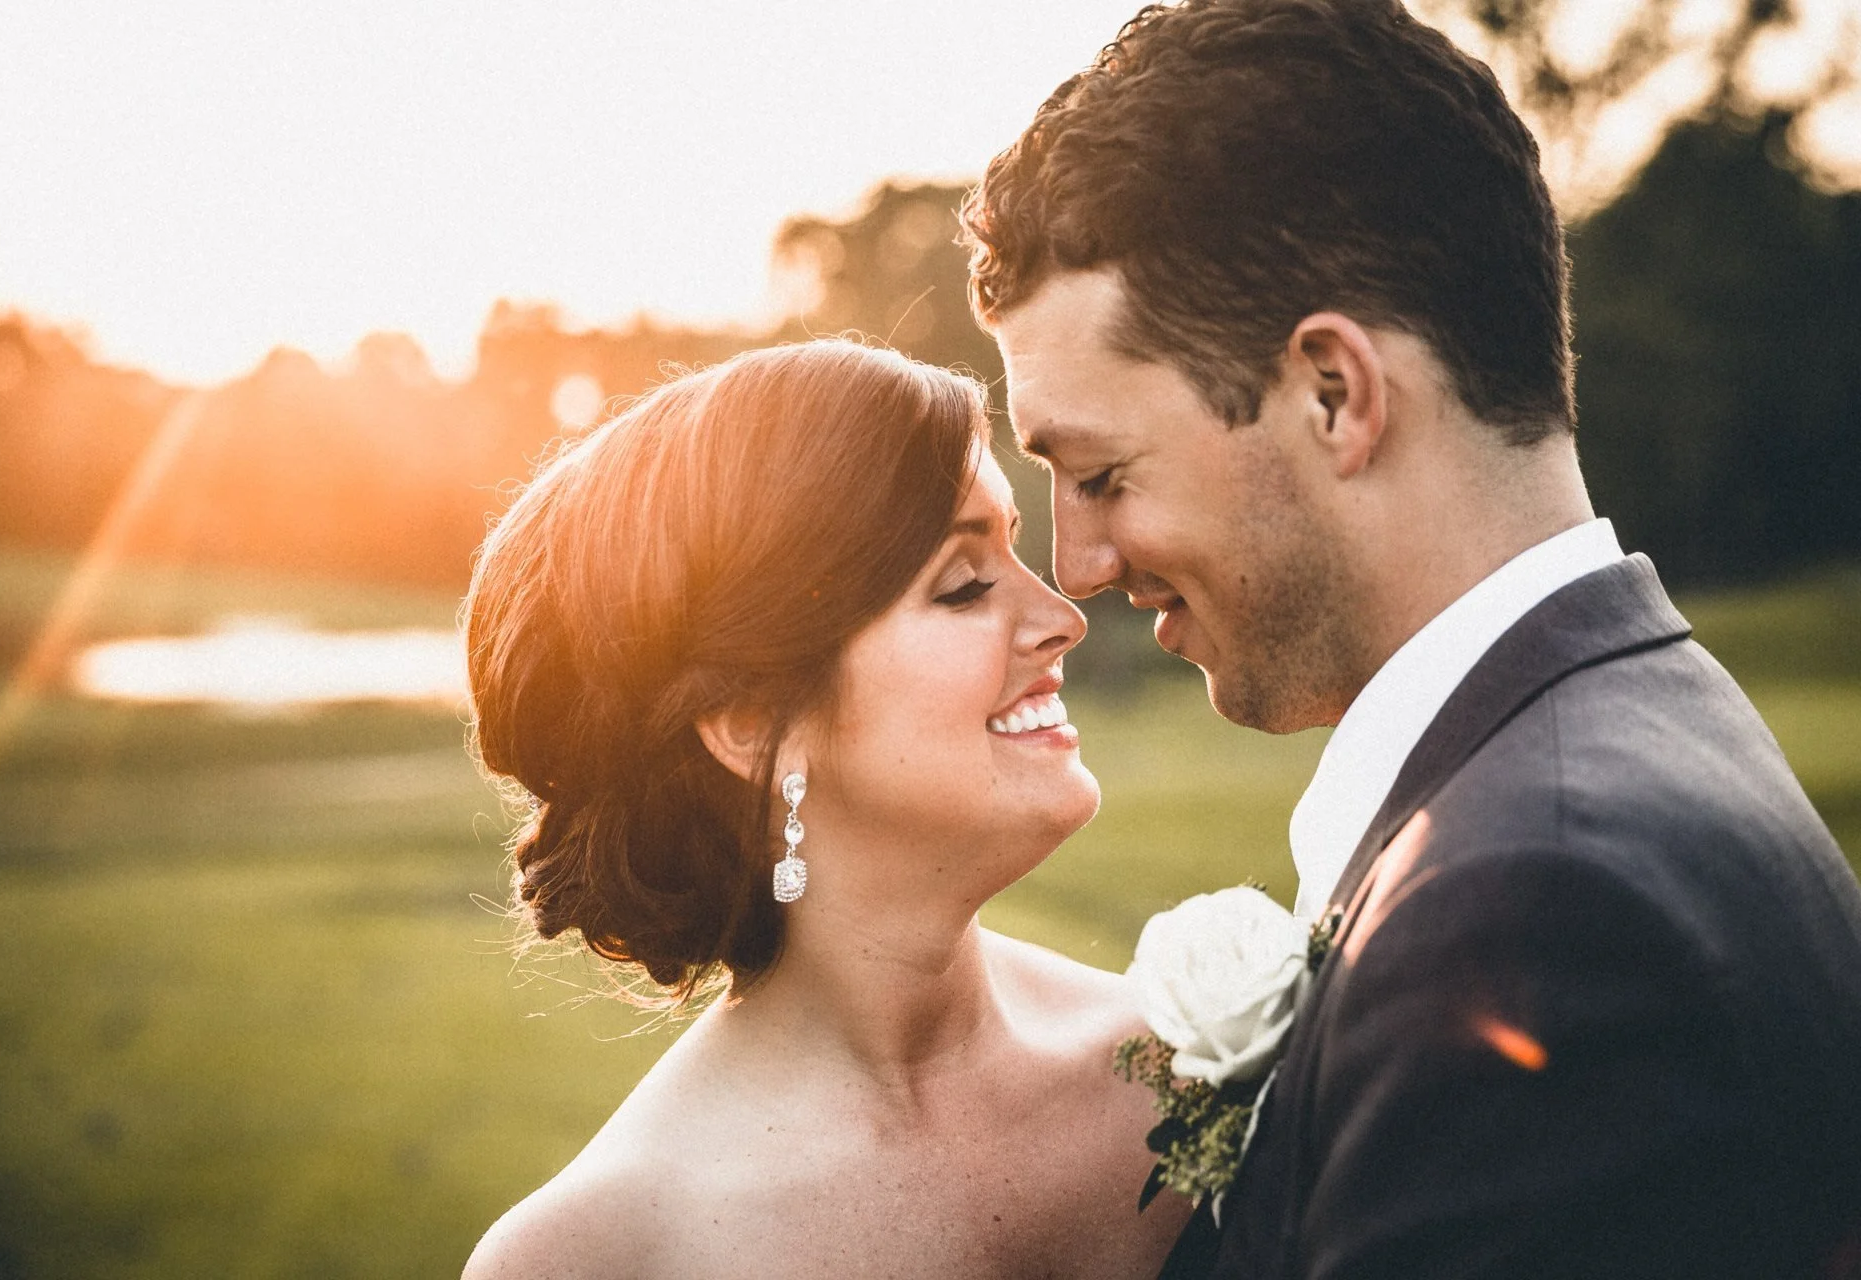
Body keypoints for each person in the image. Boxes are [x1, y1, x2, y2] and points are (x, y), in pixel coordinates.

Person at [961, 1, 1861, 1277]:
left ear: (1336, 394)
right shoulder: (1643, 722)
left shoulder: (1542, 909)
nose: (1080, 566)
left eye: (1102, 471)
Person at [458, 340, 1191, 1279]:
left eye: (1015, 548)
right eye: (964, 585)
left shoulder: (1183, 1062)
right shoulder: (601, 1254)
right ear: (755, 718)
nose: (1063, 617)